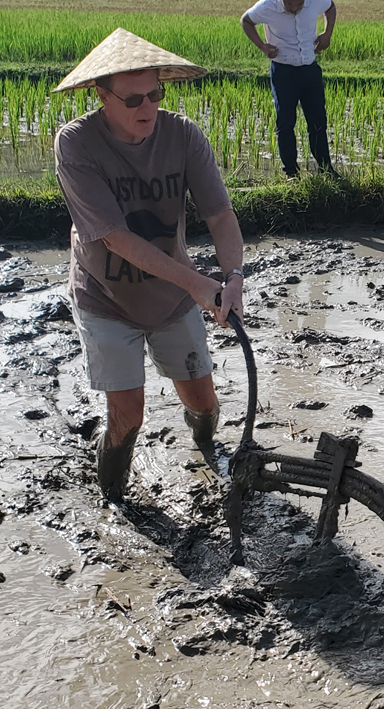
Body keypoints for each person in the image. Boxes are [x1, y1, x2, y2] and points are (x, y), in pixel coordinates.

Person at [52, 28, 246, 500]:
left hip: (170, 294)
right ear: (102, 96)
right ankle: (113, 499)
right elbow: (115, 238)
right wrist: (198, 284)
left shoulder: (183, 136)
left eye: (155, 94)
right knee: (128, 415)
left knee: (204, 402)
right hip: (106, 297)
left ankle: (209, 454)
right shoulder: (76, 144)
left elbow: (220, 214)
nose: (147, 108)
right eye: (133, 99)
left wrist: (233, 277)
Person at [241, 0, 337, 179]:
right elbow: (246, 21)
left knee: (318, 121)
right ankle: (291, 173)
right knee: (285, 123)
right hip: (283, 71)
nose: (294, 9)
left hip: (309, 68)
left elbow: (330, 7)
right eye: (289, 4)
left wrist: (327, 34)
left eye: (299, 4)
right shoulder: (267, 6)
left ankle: (326, 170)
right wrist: (262, 46)